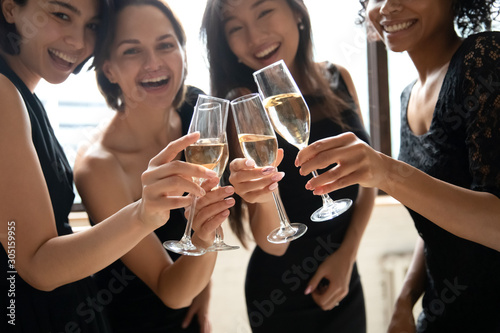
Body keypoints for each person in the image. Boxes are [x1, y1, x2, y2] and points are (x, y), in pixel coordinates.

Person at [0, 0, 223, 331]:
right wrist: (141, 214)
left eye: (91, 26)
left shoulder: (21, 95)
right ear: (9, 8)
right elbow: (31, 261)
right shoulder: (4, 94)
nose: (78, 42)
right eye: (61, 14)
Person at [295, 0, 500, 332]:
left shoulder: (485, 59)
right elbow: (437, 216)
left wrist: (386, 173)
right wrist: (405, 300)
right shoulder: (408, 96)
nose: (388, 6)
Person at [201, 0, 377, 332]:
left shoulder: (338, 78)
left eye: (264, 11)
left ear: (297, 13)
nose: (255, 36)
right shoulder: (245, 106)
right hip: (281, 295)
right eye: (235, 28)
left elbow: (367, 180)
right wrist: (263, 195)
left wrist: (347, 256)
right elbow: (273, 244)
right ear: (228, 46)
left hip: (344, 278)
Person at [73, 0, 235, 332]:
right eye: (132, 51)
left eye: (165, 45)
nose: (153, 63)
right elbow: (170, 290)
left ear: (183, 52)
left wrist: (204, 286)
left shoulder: (196, 111)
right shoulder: (100, 166)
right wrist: (204, 244)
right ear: (109, 69)